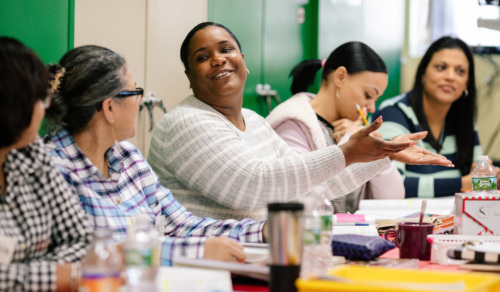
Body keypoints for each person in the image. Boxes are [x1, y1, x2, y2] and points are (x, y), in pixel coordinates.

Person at [147, 22, 452, 222]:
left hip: (258, 254)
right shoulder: (185, 122)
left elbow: (310, 184)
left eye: (226, 50)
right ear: (189, 76)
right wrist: (349, 153)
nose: (218, 59)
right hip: (209, 267)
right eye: (202, 57)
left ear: (243, 60)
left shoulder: (253, 121)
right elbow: (255, 185)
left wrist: (380, 152)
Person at [44, 45, 266, 266]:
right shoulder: (51, 170)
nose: (140, 101)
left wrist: (261, 231)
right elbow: (95, 257)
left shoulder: (128, 157)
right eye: (135, 92)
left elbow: (181, 225)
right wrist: (198, 252)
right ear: (109, 108)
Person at [0, 37, 92, 292]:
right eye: (42, 100)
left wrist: (23, 275)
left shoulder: (31, 151)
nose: (44, 111)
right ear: (14, 105)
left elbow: (81, 239)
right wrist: (59, 277)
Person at [267, 42, 405, 214]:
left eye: (375, 100)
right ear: (340, 77)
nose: (371, 107)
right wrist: (351, 143)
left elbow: (392, 201)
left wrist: (380, 154)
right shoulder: (292, 123)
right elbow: (302, 197)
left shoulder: (353, 127)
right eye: (368, 95)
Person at [374, 36, 500, 198]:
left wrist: (488, 175)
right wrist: (463, 184)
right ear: (423, 73)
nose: (450, 76)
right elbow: (392, 185)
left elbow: (476, 175)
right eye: (441, 67)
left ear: (467, 82)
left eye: (460, 71)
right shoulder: (393, 113)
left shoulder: (464, 120)